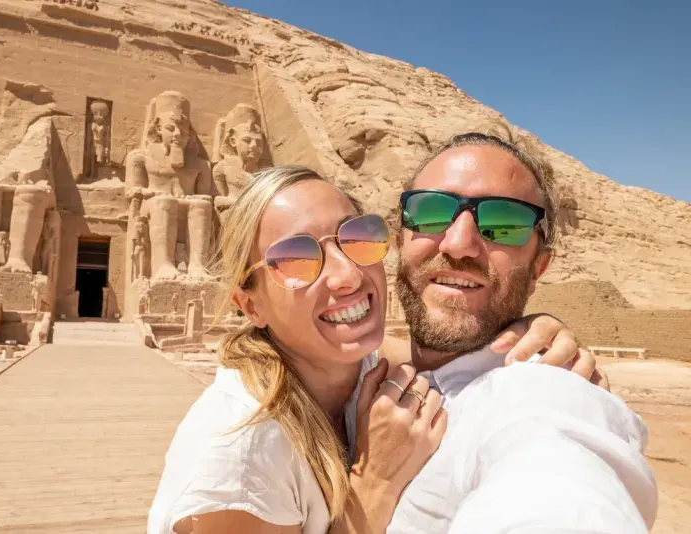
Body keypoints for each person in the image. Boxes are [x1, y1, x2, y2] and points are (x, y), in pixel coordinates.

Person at [147, 164, 607, 534]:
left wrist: (526, 334)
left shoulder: (357, 364)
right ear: (250, 305)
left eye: (357, 238)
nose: (348, 275)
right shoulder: (240, 451)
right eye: (296, 258)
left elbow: (441, 350)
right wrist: (376, 480)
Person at [382, 125, 657, 532]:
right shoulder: (351, 372)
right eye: (430, 211)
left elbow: (561, 491)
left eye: (504, 222)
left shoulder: (543, 396)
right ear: (398, 241)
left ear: (537, 269)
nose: (459, 243)